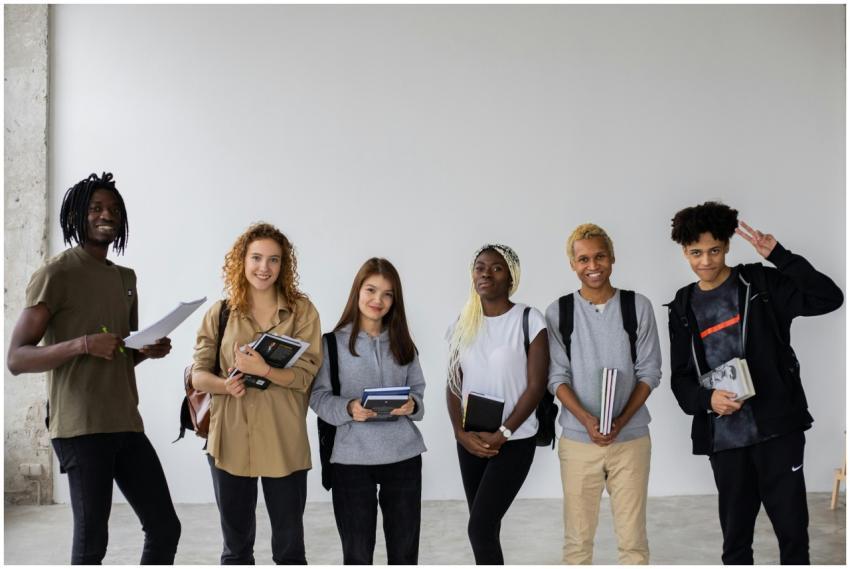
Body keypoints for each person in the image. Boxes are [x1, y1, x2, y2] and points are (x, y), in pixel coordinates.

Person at [6, 172, 180, 564]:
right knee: (91, 544)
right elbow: (16, 358)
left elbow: (116, 355)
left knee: (165, 527)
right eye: (97, 208)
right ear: (78, 215)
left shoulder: (125, 278)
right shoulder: (56, 274)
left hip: (125, 422)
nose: (107, 215)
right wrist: (83, 343)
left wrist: (144, 351)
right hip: (80, 426)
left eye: (114, 209)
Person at [667, 201, 843, 565]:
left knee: (793, 535)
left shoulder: (759, 283)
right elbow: (681, 380)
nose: (706, 261)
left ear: (727, 246)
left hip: (777, 431)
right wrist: (708, 400)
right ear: (684, 252)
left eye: (714, 250)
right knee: (735, 544)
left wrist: (780, 256)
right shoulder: (683, 306)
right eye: (696, 252)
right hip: (725, 440)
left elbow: (829, 298)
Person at [191, 222, 321, 565]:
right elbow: (199, 375)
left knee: (290, 549)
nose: (264, 268)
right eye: (257, 258)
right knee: (235, 549)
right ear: (242, 261)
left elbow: (307, 375)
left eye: (274, 260)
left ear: (284, 266)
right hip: (230, 438)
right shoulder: (219, 313)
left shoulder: (302, 312)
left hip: (283, 437)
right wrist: (224, 385)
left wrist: (264, 370)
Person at [545, 223, 662, 565]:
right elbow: (556, 377)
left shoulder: (637, 307)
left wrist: (621, 421)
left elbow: (649, 372)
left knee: (633, 541)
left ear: (612, 258)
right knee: (578, 542)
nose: (592, 265)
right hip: (579, 442)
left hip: (631, 441)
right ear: (573, 264)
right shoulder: (559, 312)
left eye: (599, 257)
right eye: (583, 259)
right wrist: (587, 420)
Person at [310, 258, 426, 564]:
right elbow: (318, 398)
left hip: (403, 456)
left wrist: (412, 404)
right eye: (371, 290)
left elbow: (418, 391)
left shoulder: (404, 344)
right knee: (358, 554)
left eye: (388, 294)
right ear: (357, 291)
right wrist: (348, 407)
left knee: (404, 555)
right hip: (350, 460)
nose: (378, 300)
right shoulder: (330, 345)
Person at [445, 243, 549, 565]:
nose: (486, 273)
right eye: (480, 267)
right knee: (486, 529)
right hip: (472, 440)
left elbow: (536, 387)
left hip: (514, 441)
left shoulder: (529, 319)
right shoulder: (464, 322)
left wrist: (504, 432)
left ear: (511, 277)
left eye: (496, 267)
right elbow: (452, 384)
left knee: (479, 527)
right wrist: (460, 434)